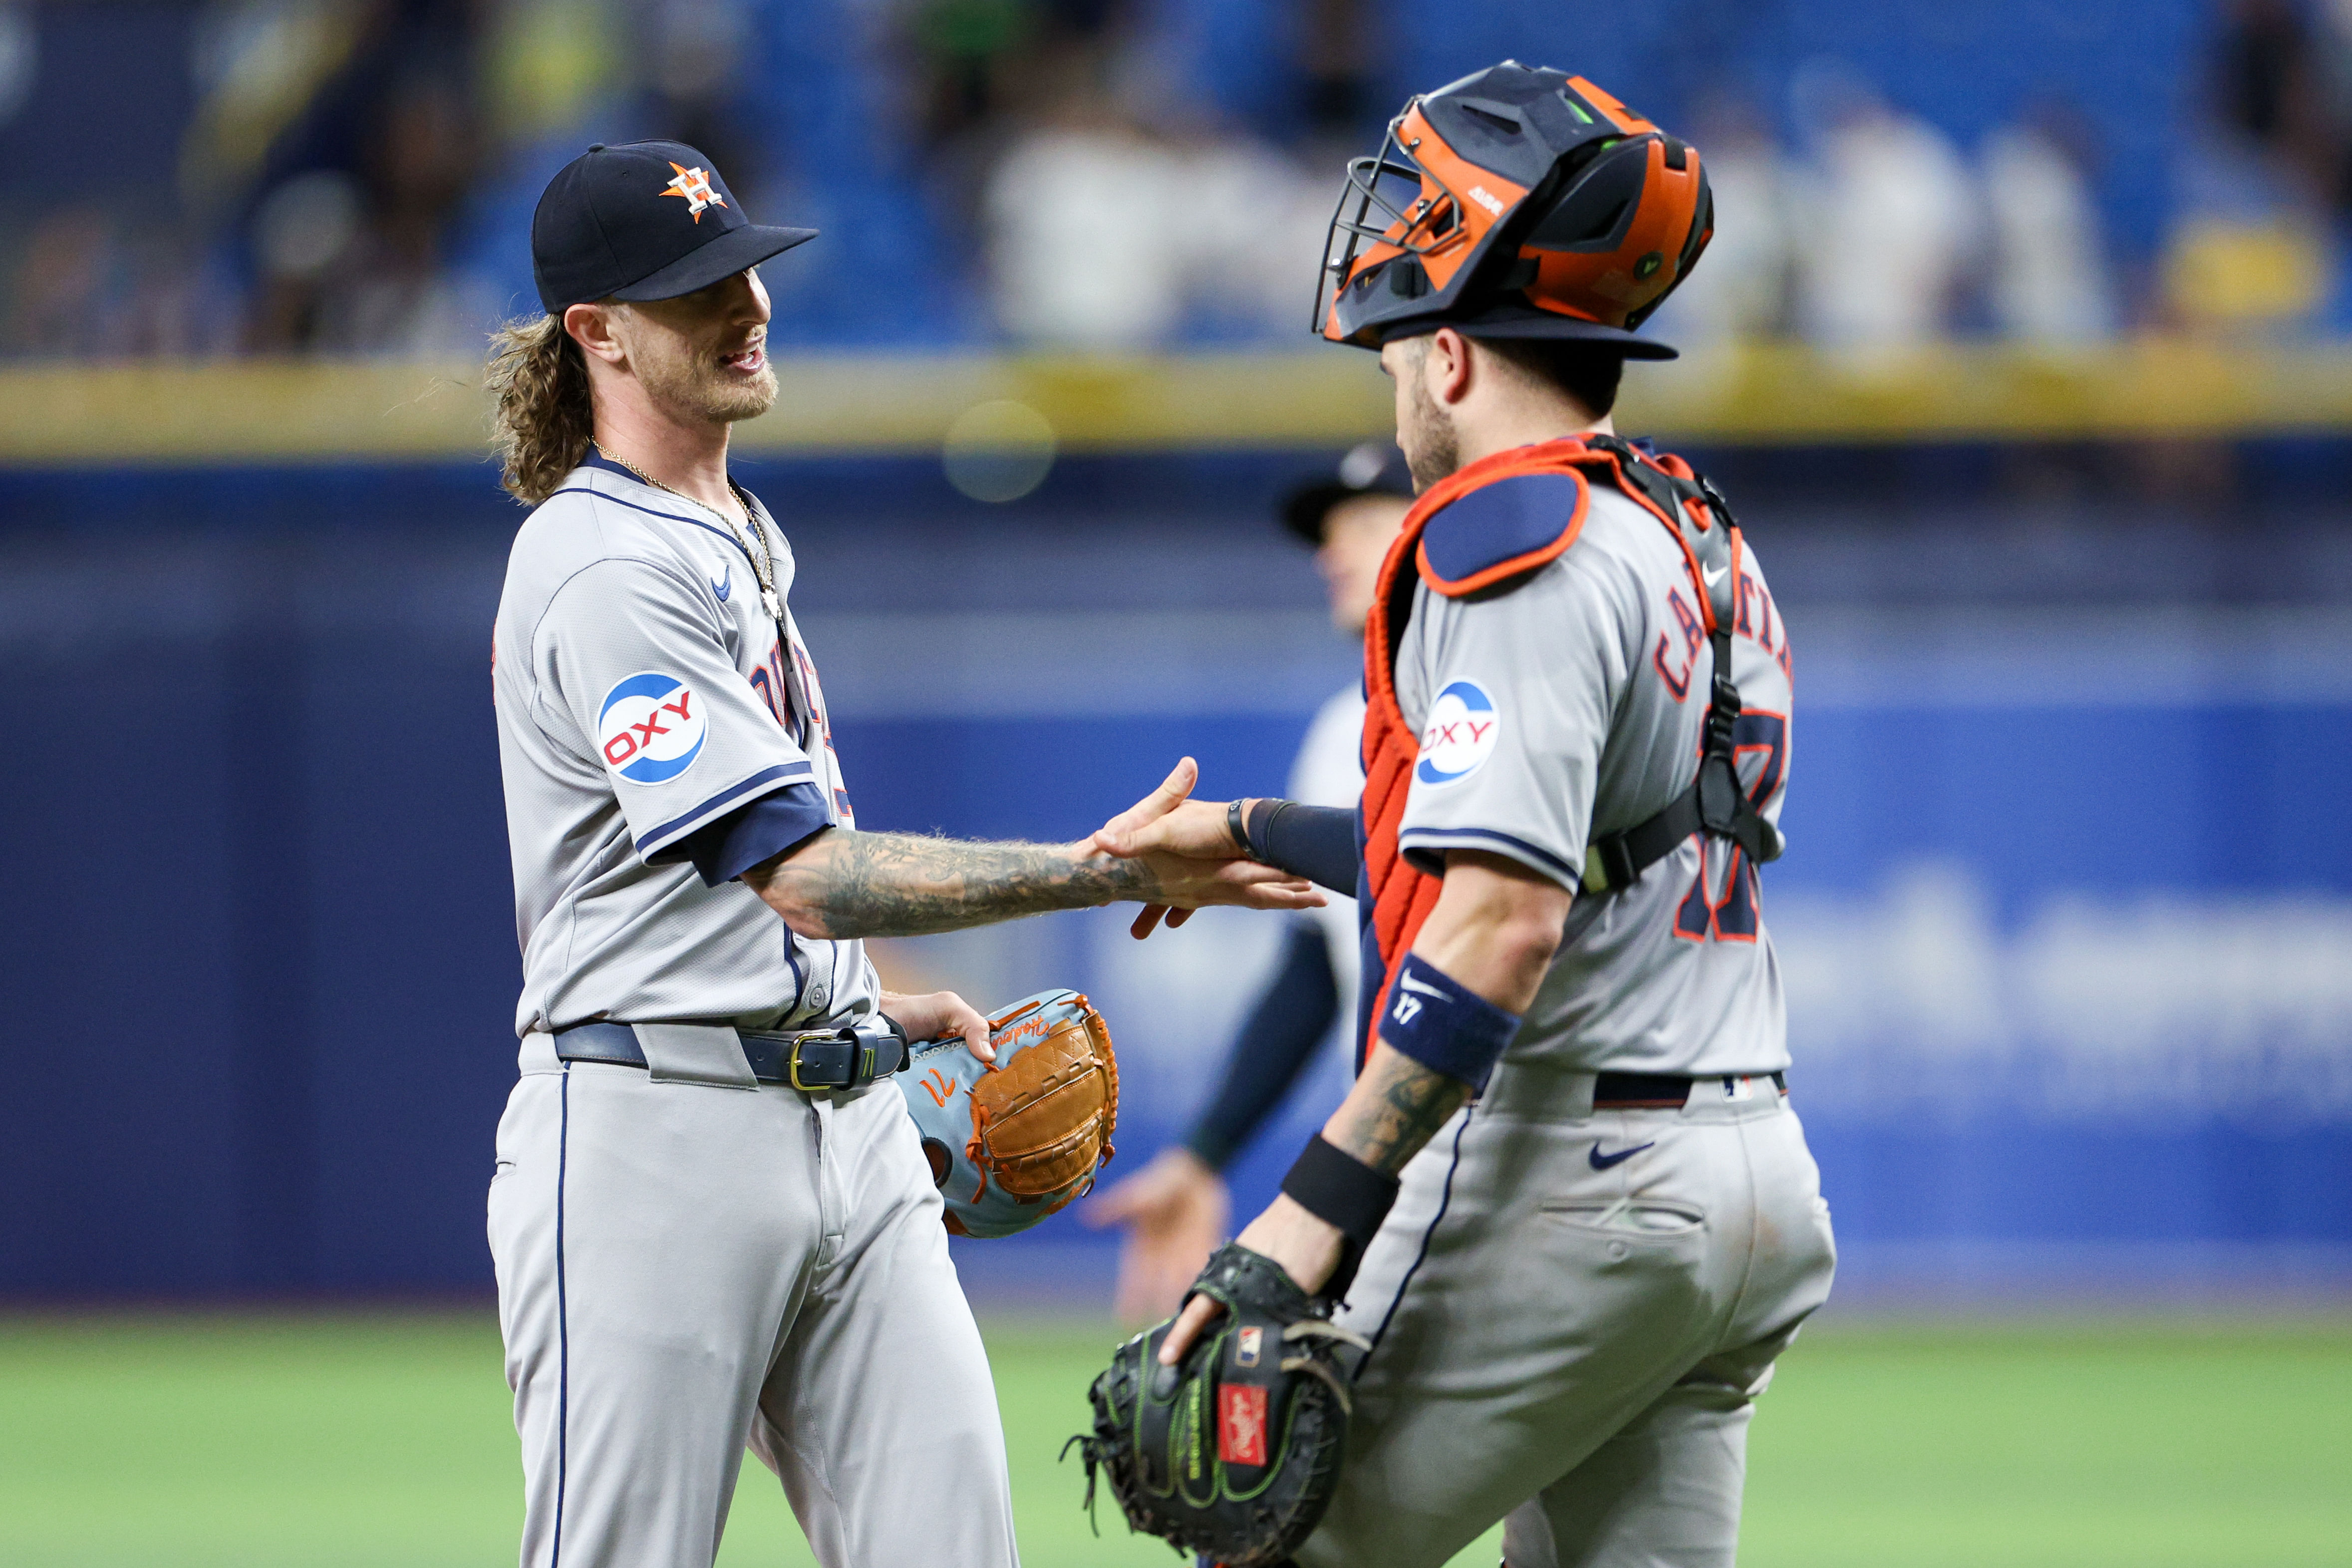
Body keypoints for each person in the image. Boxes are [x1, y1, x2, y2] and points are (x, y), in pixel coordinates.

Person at [478, 140, 1317, 1568]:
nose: (744, 302)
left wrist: (863, 995)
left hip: (851, 1125)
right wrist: (1109, 868)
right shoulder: (600, 560)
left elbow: (778, 890)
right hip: (650, 1131)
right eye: (693, 291)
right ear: (597, 332)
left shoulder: (737, 530)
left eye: (744, 266)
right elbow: (798, 865)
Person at [1094, 64, 1837, 1568]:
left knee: (1269, 1533)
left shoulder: (1512, 540)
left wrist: (1303, 1215)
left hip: (1572, 1176)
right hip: (1749, 1174)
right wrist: (1242, 826)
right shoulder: (1685, 526)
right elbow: (1587, 838)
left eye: (1389, 361)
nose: (1391, 385)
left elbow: (1503, 920)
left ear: (1444, 361)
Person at [1085, 443, 1412, 1323]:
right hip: (1410, 1145)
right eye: (1326, 533)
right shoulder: (1346, 727)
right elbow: (1317, 969)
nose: (1329, 552)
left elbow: (1434, 861)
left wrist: (1248, 825)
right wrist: (1203, 1154)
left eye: (1365, 525)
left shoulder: (1489, 695)